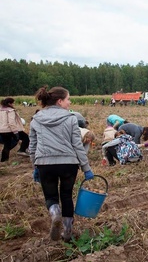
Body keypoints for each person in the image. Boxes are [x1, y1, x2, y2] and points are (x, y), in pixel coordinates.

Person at [29, 86, 94, 242]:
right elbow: (77, 145)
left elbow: (32, 146)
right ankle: (67, 232)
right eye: (68, 99)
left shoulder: (36, 119)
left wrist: (35, 167)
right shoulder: (70, 118)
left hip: (45, 163)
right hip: (68, 164)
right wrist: (86, 168)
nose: (69, 102)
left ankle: (55, 213)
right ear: (60, 101)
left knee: (51, 197)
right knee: (66, 196)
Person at [0, 98, 27, 162]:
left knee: (7, 145)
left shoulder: (0, 110)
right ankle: (22, 150)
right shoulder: (10, 111)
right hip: (9, 130)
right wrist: (15, 132)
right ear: (9, 103)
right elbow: (11, 122)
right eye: (13, 103)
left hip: (1, 130)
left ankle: (4, 160)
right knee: (26, 137)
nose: (13, 104)